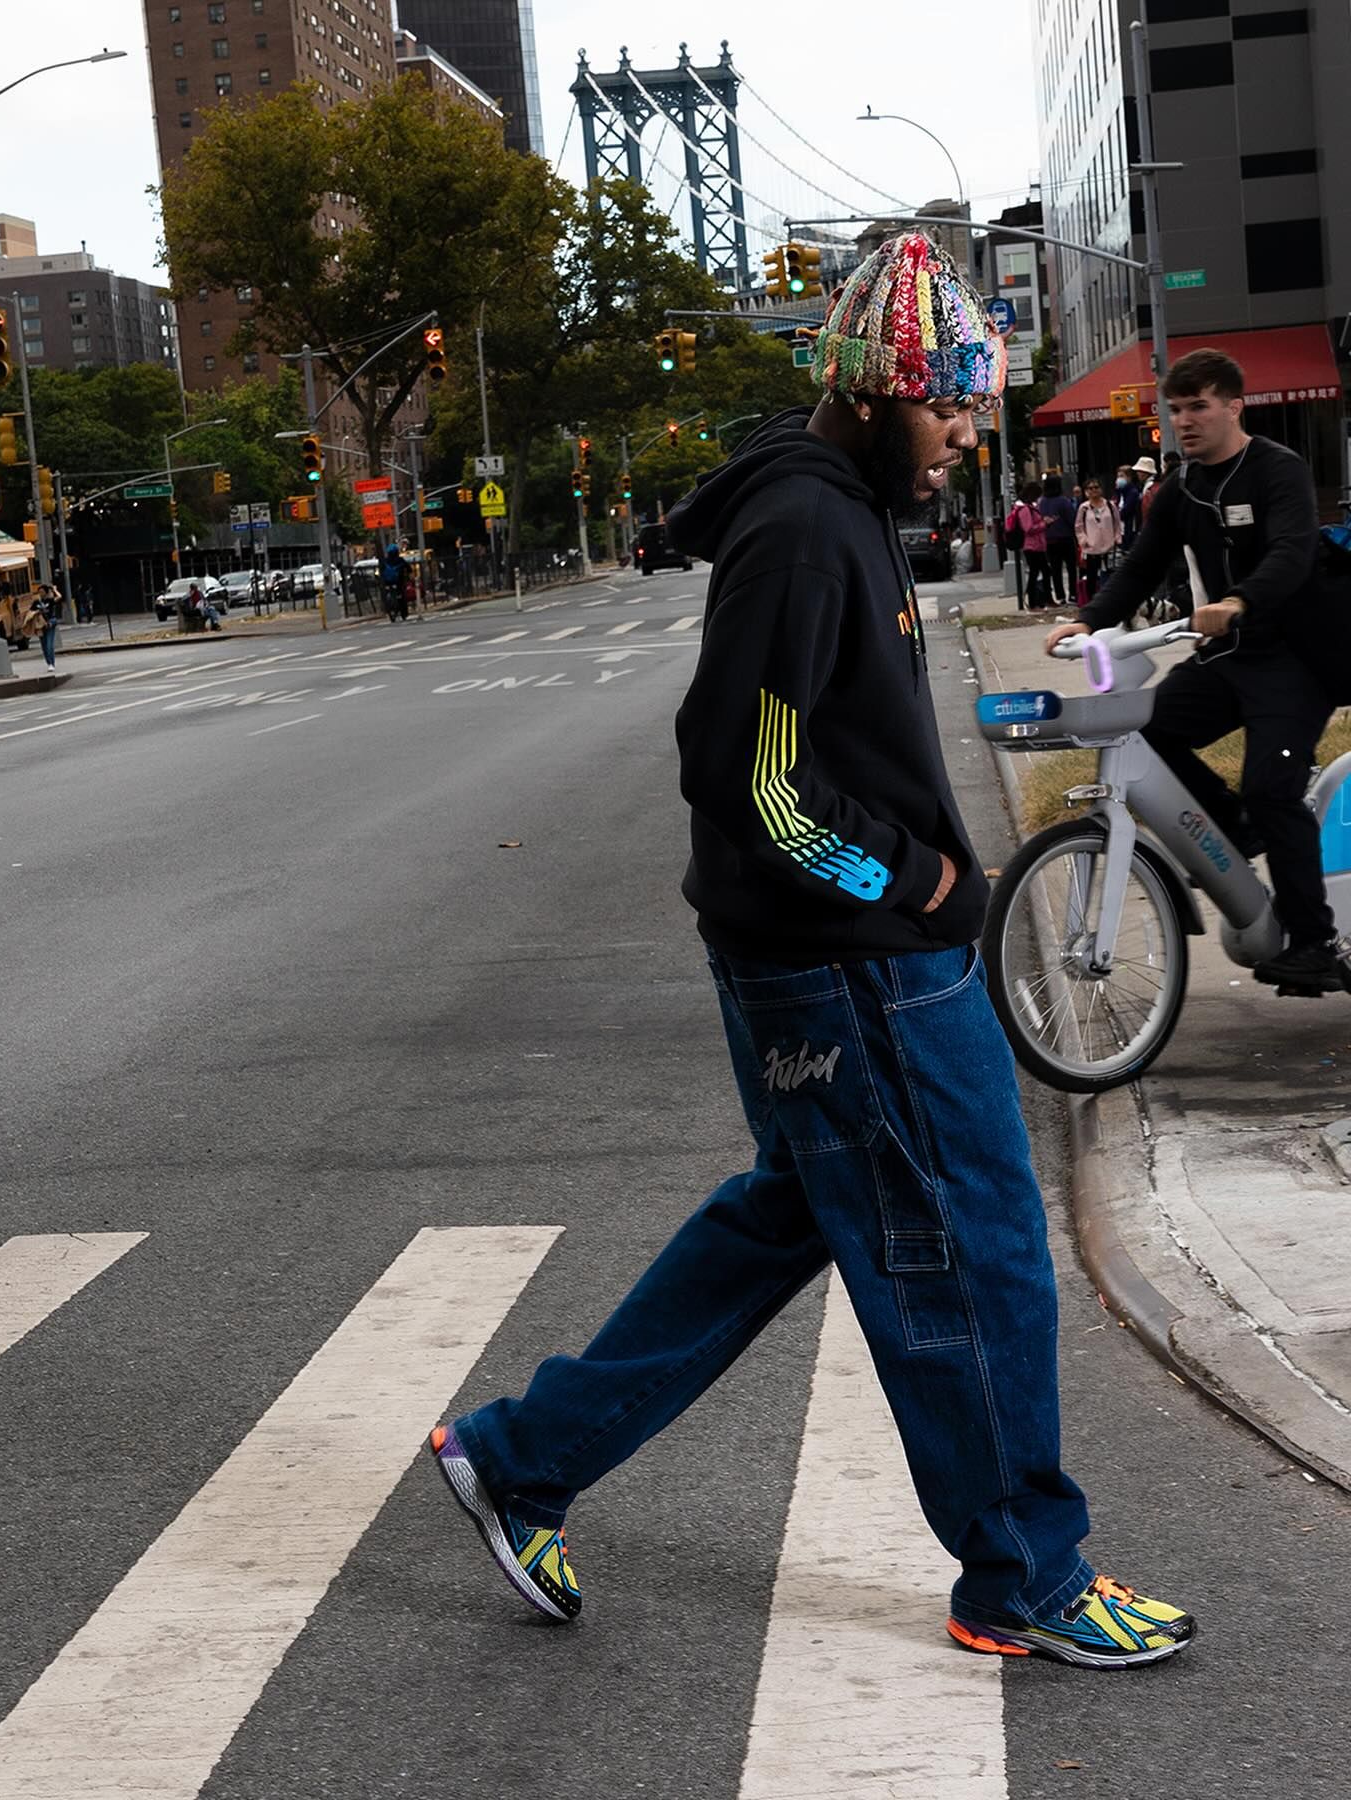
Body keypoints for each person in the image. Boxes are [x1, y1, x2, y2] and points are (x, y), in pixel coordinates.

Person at [429, 231, 1195, 1668]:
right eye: (952, 402)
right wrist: (912, 881)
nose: (971, 431)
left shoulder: (836, 505)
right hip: (854, 967)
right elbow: (746, 774)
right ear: (877, 391)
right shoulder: (804, 529)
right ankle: (1027, 1574)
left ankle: (521, 1458)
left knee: (797, 1216)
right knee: (971, 1255)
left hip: (843, 959)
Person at [1046, 347, 1344, 994]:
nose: (1184, 420)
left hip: (1296, 660)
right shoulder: (1182, 487)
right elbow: (1141, 565)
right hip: (1227, 658)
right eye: (1176, 408)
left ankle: (1315, 942)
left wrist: (1240, 600)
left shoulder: (1277, 470)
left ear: (1234, 406)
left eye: (1198, 407)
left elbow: (1293, 552)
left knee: (1273, 787)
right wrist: (1088, 621)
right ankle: (1233, 829)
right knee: (1147, 734)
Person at [1074, 476, 1122, 601]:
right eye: (1090, 488)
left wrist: (1117, 539)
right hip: (1092, 548)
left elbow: (1117, 523)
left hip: (1109, 547)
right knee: (1092, 578)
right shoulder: (1084, 508)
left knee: (1111, 576)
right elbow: (1079, 526)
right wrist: (1084, 541)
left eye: (1096, 487)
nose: (1094, 490)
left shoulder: (1110, 506)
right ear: (1086, 491)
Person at [1008, 479, 1051, 608]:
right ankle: (1033, 601)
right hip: (1031, 546)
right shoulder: (1025, 509)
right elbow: (1028, 528)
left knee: (1043, 571)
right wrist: (1044, 524)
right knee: (1036, 572)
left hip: (1038, 545)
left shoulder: (1031, 507)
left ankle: (1043, 598)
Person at [1038, 472, 1079, 605]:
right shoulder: (1063, 501)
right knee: (1071, 568)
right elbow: (1072, 519)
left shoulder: (1042, 502)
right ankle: (1073, 594)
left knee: (1055, 569)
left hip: (1049, 539)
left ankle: (1060, 595)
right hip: (1065, 538)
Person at [32, 582, 60, 668]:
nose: (41, 594)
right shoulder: (36, 602)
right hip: (40, 625)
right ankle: (48, 663)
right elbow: (30, 612)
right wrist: (37, 612)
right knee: (44, 645)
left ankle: (52, 663)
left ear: (46, 592)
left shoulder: (50, 600)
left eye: (42, 592)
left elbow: (59, 597)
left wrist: (54, 590)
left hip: (50, 622)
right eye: (39, 592)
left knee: (49, 644)